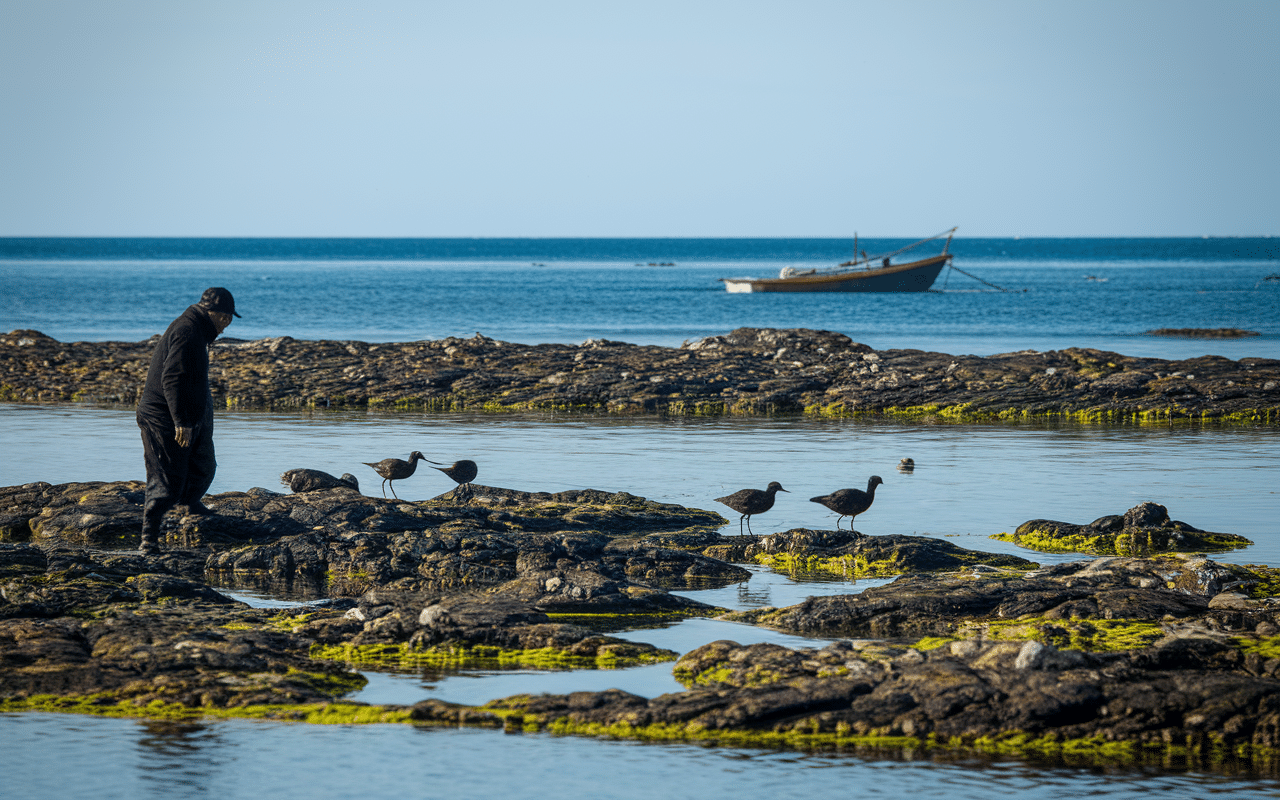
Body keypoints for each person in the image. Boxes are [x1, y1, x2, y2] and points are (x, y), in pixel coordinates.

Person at [135, 287, 240, 554]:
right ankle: (149, 539)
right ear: (212, 313)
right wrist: (180, 420)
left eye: (230, 319)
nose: (226, 325)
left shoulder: (199, 329)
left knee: (203, 464)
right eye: (225, 318)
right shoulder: (188, 331)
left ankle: (191, 504)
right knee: (167, 478)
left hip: (190, 413)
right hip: (163, 416)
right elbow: (172, 378)